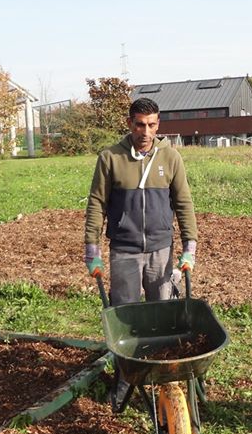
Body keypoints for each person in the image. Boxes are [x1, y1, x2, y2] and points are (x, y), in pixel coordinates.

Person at [83, 97, 198, 410]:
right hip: (125, 251)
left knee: (162, 315)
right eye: (139, 124)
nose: (145, 131)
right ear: (129, 124)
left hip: (161, 250)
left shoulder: (171, 157)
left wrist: (189, 248)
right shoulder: (111, 157)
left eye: (151, 125)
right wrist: (91, 250)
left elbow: (184, 203)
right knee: (127, 318)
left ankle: (165, 375)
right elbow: (96, 203)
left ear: (158, 124)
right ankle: (126, 376)